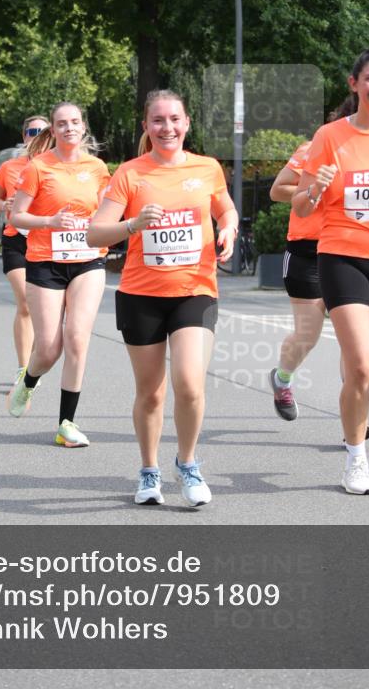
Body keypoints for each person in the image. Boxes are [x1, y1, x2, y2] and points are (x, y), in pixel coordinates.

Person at [88, 90, 237, 508]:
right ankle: (148, 469)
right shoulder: (130, 174)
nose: (167, 127)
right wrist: (133, 223)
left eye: (174, 119)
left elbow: (226, 210)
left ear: (187, 123)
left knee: (189, 382)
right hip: (141, 294)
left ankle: (188, 464)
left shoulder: (207, 168)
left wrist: (228, 228)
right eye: (158, 121)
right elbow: (94, 234)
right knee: (151, 392)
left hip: (195, 289)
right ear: (146, 127)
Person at [292, 48, 369, 496]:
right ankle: (357, 460)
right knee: (359, 365)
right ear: (353, 84)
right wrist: (314, 186)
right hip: (342, 257)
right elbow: (298, 203)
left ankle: (361, 405)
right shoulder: (330, 136)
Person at [8, 102, 110, 448]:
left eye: (75, 122)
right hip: (45, 262)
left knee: (77, 337)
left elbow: (108, 210)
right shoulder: (38, 167)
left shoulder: (97, 168)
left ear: (83, 127)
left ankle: (67, 423)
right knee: (49, 349)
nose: (69, 128)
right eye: (62, 123)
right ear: (53, 129)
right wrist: (49, 222)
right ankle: (29, 380)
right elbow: (16, 217)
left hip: (88, 260)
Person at [267, 98, 355, 422]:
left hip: (350, 250)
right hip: (307, 251)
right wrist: (316, 188)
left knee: (354, 338)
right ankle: (282, 378)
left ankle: (357, 420)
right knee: (308, 335)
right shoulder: (313, 148)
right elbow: (277, 190)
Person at [0, 115, 49, 372]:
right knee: (25, 301)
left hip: (46, 242)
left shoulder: (59, 168)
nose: (38, 135)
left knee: (40, 308)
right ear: (25, 136)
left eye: (44, 131)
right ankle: (23, 370)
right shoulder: (9, 167)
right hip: (16, 239)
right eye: (33, 131)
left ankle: (35, 361)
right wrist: (5, 206)